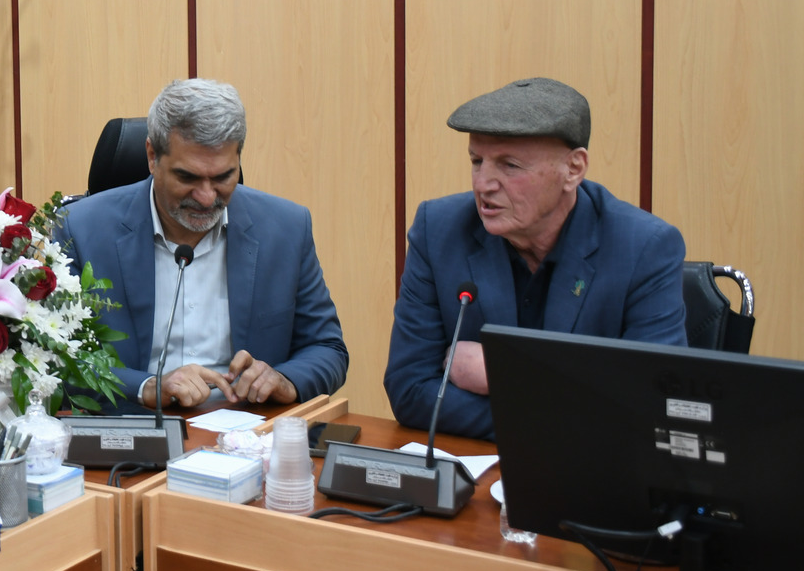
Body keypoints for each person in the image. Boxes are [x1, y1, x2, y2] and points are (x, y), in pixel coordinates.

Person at [384, 78, 687, 441]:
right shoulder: (439, 230)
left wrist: (504, 374)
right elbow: (410, 390)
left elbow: (652, 403)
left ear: (573, 169)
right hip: (481, 469)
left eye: (510, 165)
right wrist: (566, 412)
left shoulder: (644, 247)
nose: (483, 184)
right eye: (477, 161)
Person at [59, 79, 348, 409]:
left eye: (223, 177)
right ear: (152, 156)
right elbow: (56, 359)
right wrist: (145, 387)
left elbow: (327, 349)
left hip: (247, 429)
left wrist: (284, 379)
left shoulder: (286, 228)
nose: (207, 197)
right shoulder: (81, 229)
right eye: (188, 177)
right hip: (137, 428)